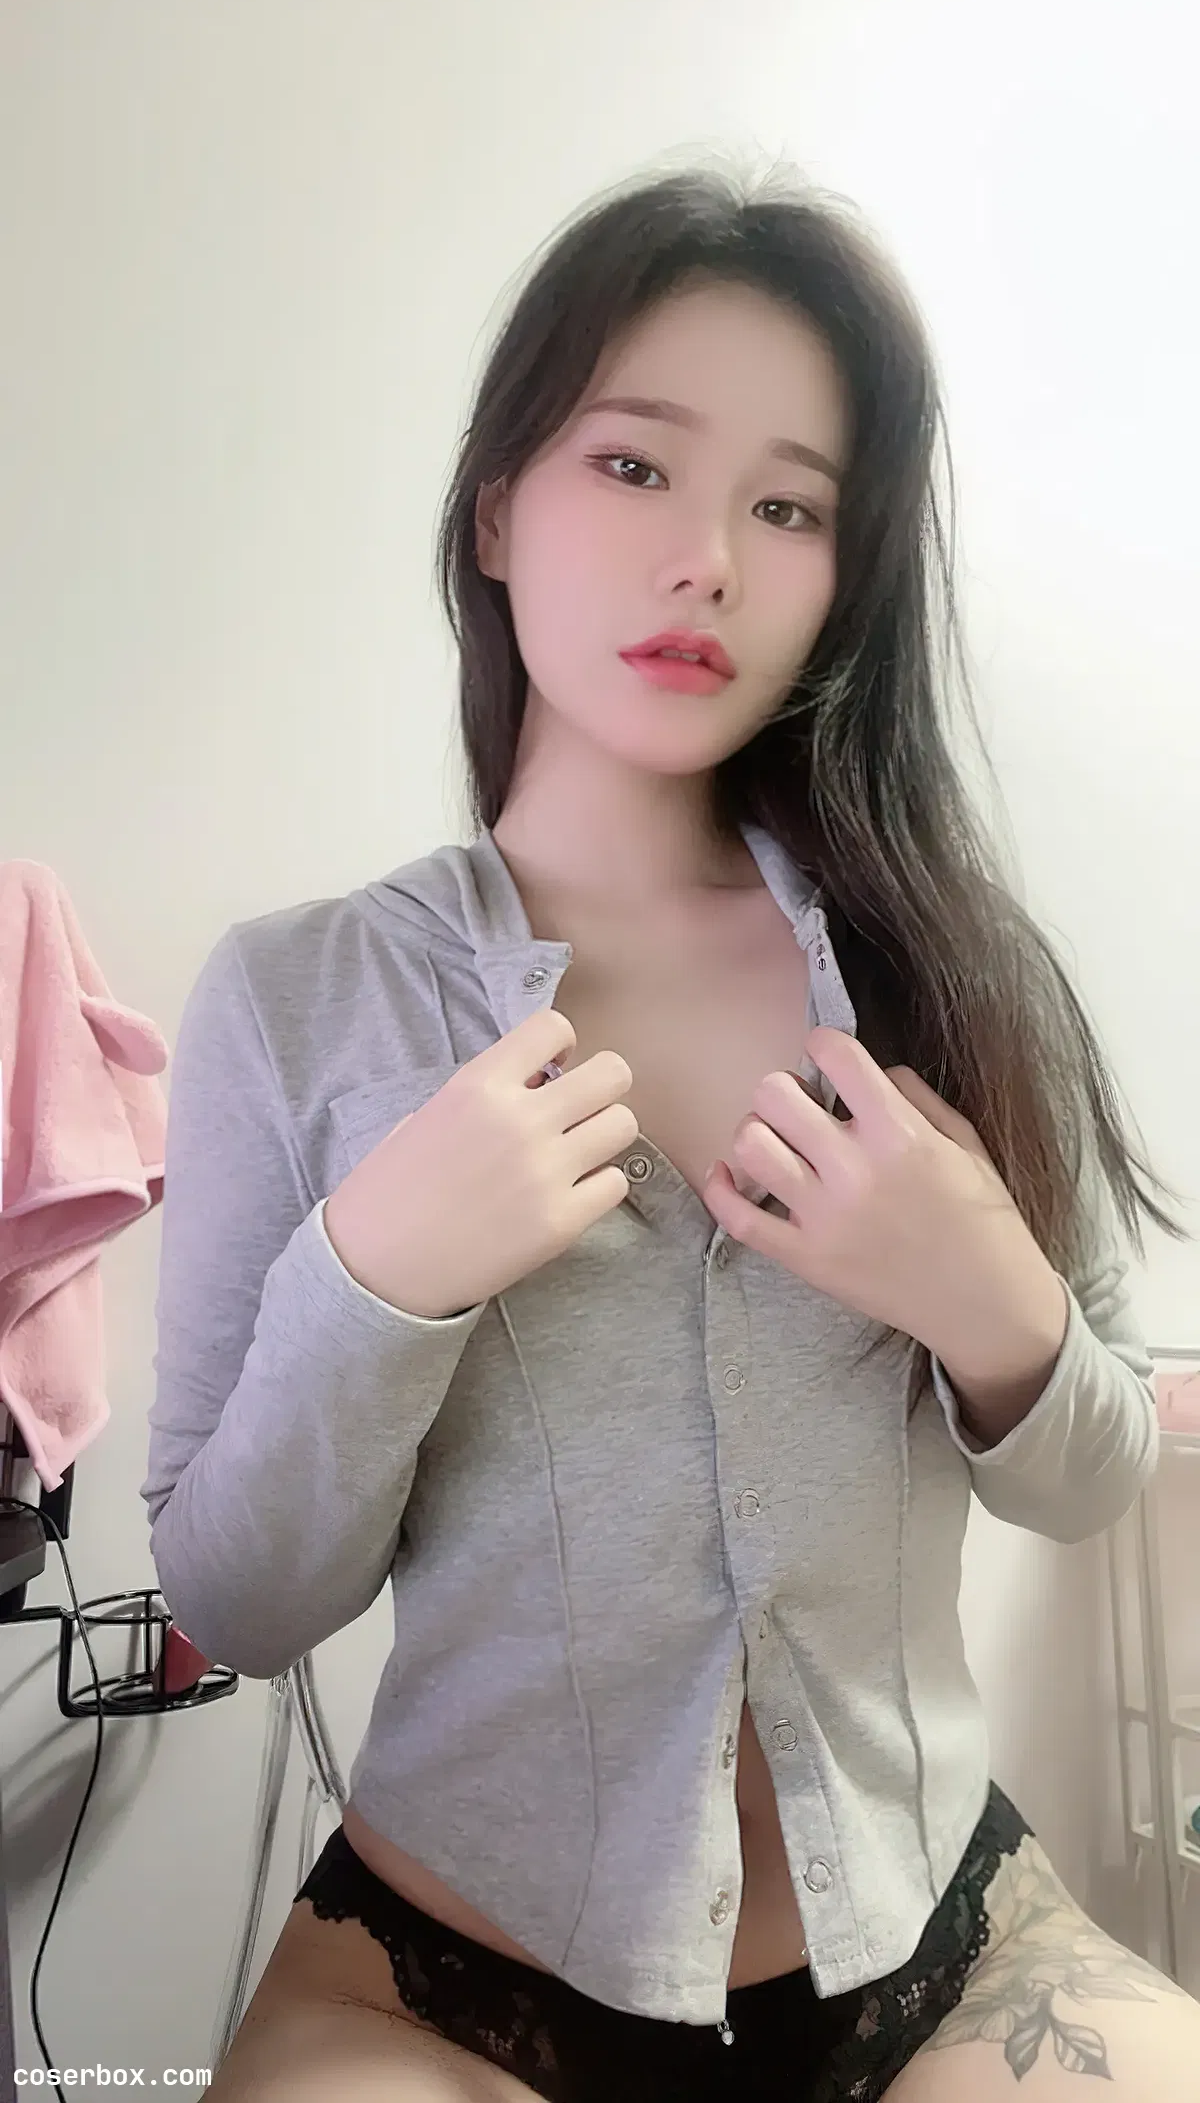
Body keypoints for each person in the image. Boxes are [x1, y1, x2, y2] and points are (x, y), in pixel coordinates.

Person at [144, 161, 1199, 2101]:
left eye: (787, 506)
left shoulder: (952, 972)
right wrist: (377, 1277)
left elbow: (1095, 1474)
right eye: (633, 466)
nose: (706, 559)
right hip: (450, 1988)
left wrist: (993, 1305)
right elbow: (233, 1597)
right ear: (495, 509)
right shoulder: (299, 998)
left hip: (944, 1951)